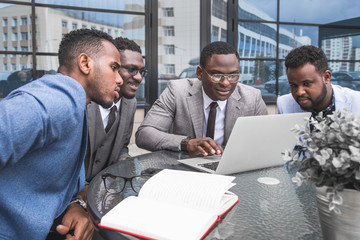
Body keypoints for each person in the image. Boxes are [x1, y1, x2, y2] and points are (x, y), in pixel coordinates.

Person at [0, 29, 123, 240]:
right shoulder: (58, 99)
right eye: (114, 68)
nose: (120, 79)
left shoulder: (75, 102)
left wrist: (77, 205)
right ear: (85, 63)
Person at [136, 41, 268, 156]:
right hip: (184, 170)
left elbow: (266, 141)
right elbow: (145, 134)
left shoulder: (252, 98)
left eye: (233, 75)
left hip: (232, 170)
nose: (225, 83)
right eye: (216, 75)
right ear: (200, 73)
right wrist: (186, 143)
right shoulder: (177, 91)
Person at [85, 37, 146, 182]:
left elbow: (122, 146)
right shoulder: (85, 101)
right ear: (114, 68)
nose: (138, 77)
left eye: (141, 71)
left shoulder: (130, 103)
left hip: (106, 186)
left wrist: (124, 159)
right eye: (131, 69)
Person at [277, 45, 360, 116]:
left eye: (306, 83)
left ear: (326, 77)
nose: (299, 92)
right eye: (293, 85)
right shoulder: (284, 105)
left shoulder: (357, 102)